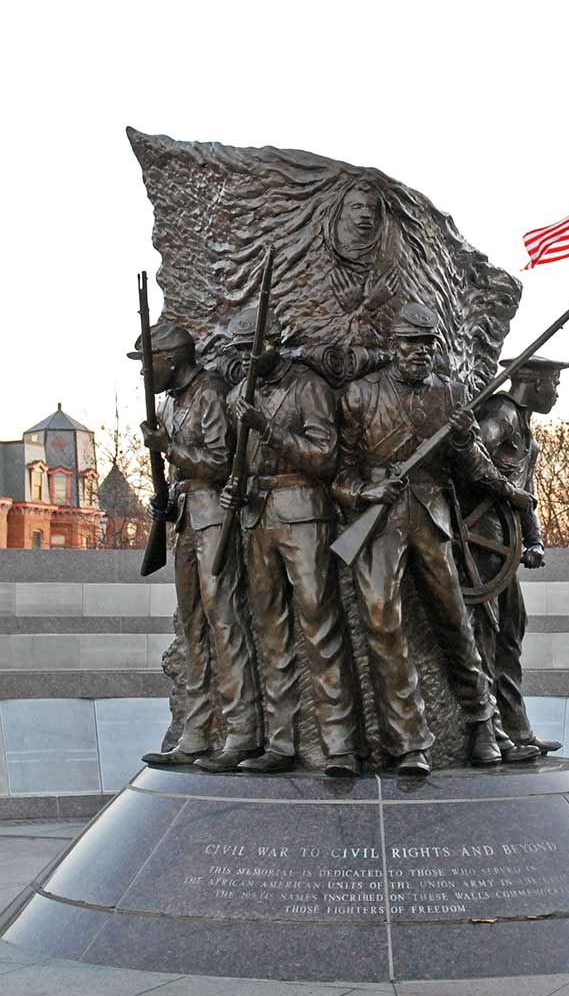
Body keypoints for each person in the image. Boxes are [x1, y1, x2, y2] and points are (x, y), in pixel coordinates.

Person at [334, 302, 523, 775]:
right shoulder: (359, 395)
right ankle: (409, 740)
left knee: (455, 621)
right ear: (393, 346)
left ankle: (483, 722)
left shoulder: (451, 394)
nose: (419, 352)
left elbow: (472, 469)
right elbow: (337, 473)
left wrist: (462, 441)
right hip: (377, 521)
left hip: (433, 517)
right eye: (410, 343)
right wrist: (364, 490)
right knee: (381, 622)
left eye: (427, 344)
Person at [219, 307, 360, 776]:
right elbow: (234, 461)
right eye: (239, 351)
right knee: (271, 632)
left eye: (252, 349)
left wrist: (267, 428)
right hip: (256, 517)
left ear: (274, 344)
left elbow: (324, 457)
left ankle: (340, 746)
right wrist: (233, 485)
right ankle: (281, 744)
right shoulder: (240, 393)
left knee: (320, 627)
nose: (245, 359)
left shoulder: (310, 387)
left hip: (304, 512)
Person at [128, 320, 262, 772]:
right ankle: (195, 732)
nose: (146, 375)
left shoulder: (208, 393)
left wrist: (169, 449)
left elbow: (223, 463)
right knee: (194, 631)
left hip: (214, 520)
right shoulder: (167, 404)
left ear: (171, 359)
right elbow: (180, 471)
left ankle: (242, 733)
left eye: (148, 364)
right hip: (186, 519)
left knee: (225, 624)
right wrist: (163, 500)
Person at [469, 356, 569, 756]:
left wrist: (535, 541)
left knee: (511, 635)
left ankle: (519, 731)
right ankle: (493, 735)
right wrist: (505, 491)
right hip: (479, 544)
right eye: (554, 385)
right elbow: (468, 457)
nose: (557, 394)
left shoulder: (528, 434)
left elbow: (526, 497)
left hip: (506, 546)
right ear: (533, 382)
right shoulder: (501, 415)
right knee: (486, 640)